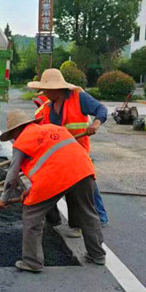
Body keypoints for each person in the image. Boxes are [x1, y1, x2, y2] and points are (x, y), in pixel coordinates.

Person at [0, 110, 106, 272]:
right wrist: (32, 189)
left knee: (32, 215)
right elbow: (52, 159)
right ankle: (97, 255)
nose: (13, 138)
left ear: (16, 130)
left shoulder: (22, 141)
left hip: (55, 177)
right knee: (88, 212)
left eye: (12, 134)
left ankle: (32, 262)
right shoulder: (55, 128)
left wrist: (3, 198)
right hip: (83, 170)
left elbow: (12, 174)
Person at [29, 68, 109, 231]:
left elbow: (101, 110)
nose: (44, 92)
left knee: (85, 185)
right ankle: (53, 218)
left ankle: (100, 217)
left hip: (78, 151)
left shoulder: (79, 98)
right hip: (58, 155)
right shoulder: (47, 107)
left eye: (47, 89)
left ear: (57, 88)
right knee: (48, 182)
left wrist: (95, 123)